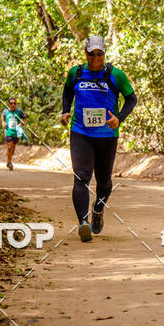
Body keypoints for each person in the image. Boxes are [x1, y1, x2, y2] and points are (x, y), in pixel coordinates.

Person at [61, 35, 137, 241]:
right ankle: (83, 223)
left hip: (106, 135)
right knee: (81, 176)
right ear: (85, 53)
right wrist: (65, 111)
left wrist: (119, 118)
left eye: (99, 54)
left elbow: (131, 99)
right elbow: (67, 91)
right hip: (80, 133)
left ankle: (98, 208)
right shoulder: (76, 73)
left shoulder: (115, 75)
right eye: (91, 53)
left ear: (104, 54)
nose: (95, 57)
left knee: (103, 182)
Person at [3, 97, 26, 170]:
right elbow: (3, 117)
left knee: (13, 148)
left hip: (16, 132)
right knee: (9, 147)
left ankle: (9, 160)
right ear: (8, 104)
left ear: (16, 104)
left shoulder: (19, 112)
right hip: (8, 132)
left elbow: (24, 119)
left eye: (14, 103)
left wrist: (20, 125)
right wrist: (3, 123)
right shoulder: (6, 111)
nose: (13, 105)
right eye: (11, 103)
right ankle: (10, 162)